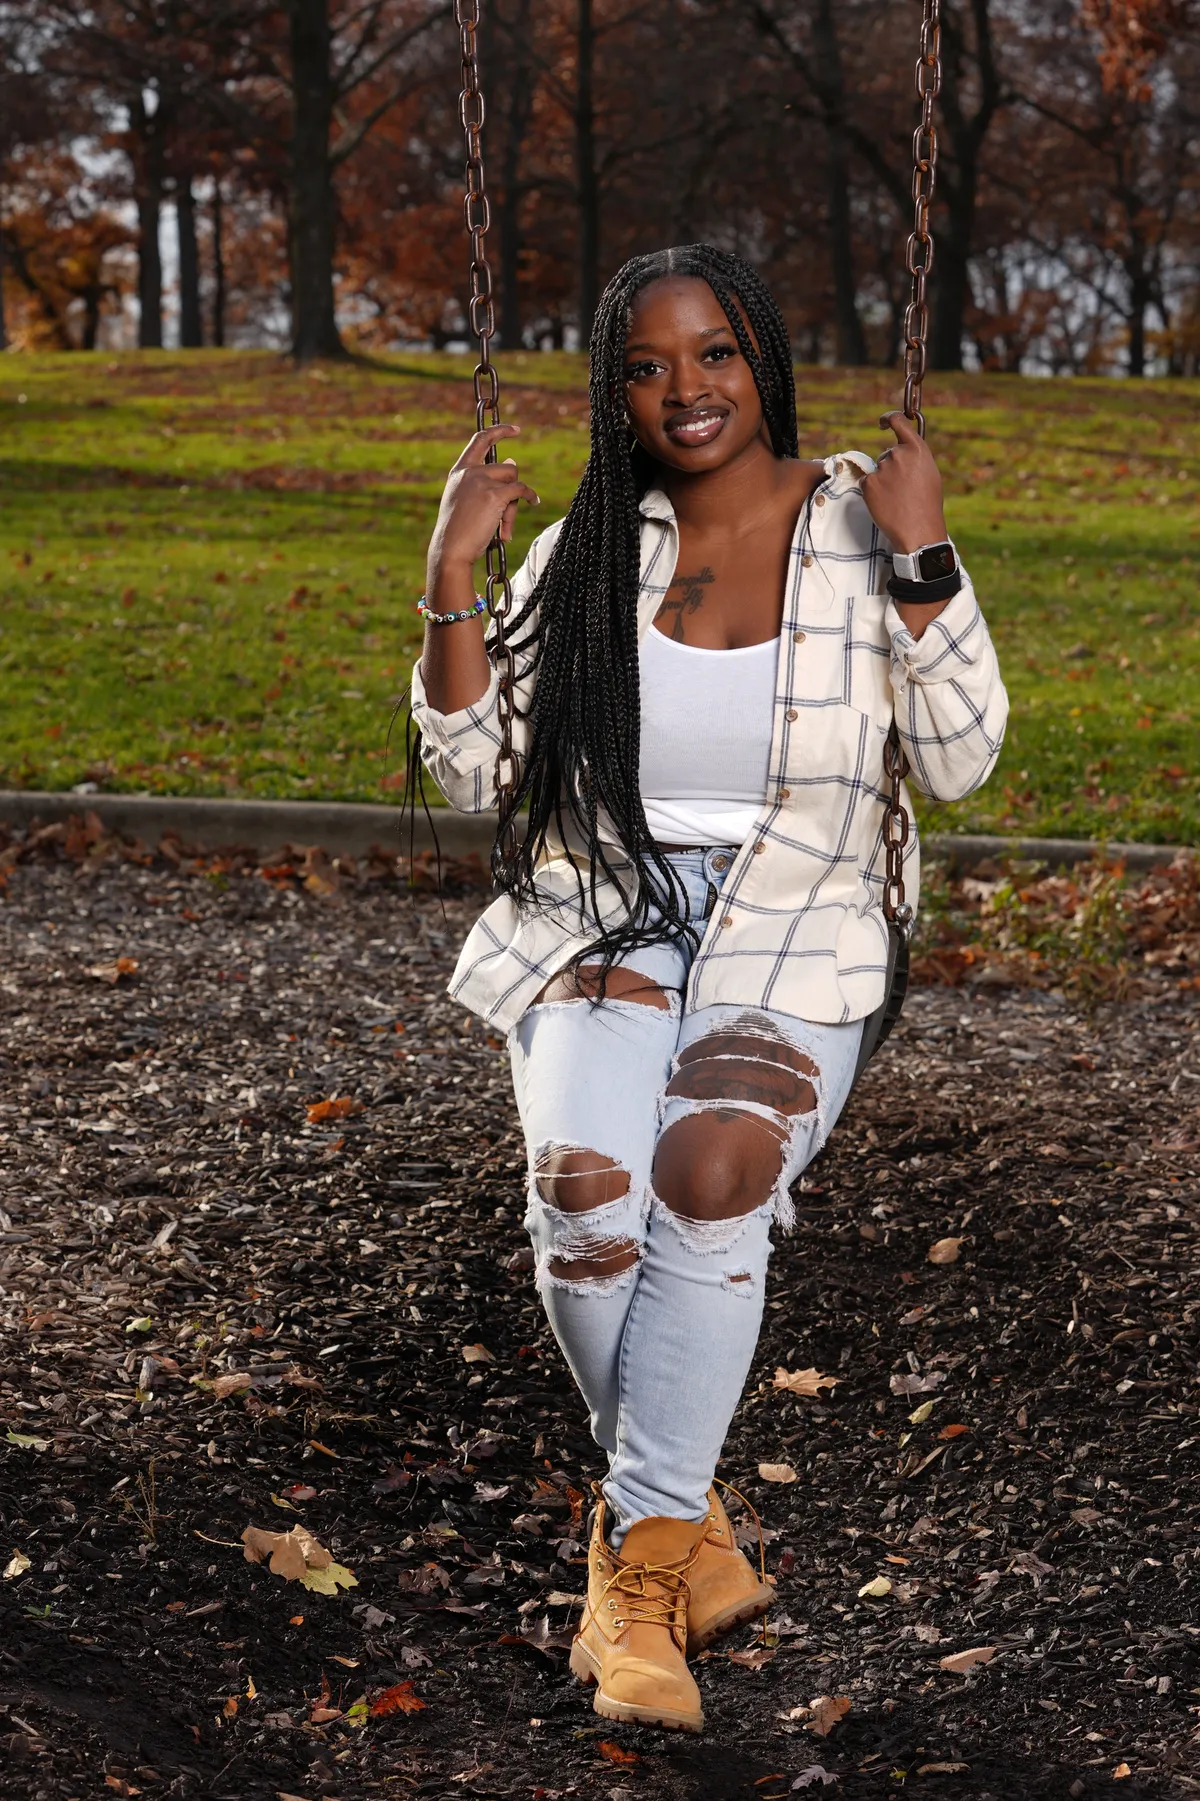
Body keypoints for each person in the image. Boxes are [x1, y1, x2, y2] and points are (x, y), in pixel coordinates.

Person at [410, 244, 1007, 1733]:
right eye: (651, 366)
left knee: (712, 1165)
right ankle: (690, 1526)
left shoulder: (869, 527)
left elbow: (963, 760)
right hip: (606, 903)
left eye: (718, 354)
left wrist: (928, 557)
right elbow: (477, 769)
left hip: (799, 915)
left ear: (766, 361)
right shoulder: (590, 551)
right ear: (619, 390)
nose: (688, 391)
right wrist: (452, 577)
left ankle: (634, 1577)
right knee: (584, 1190)